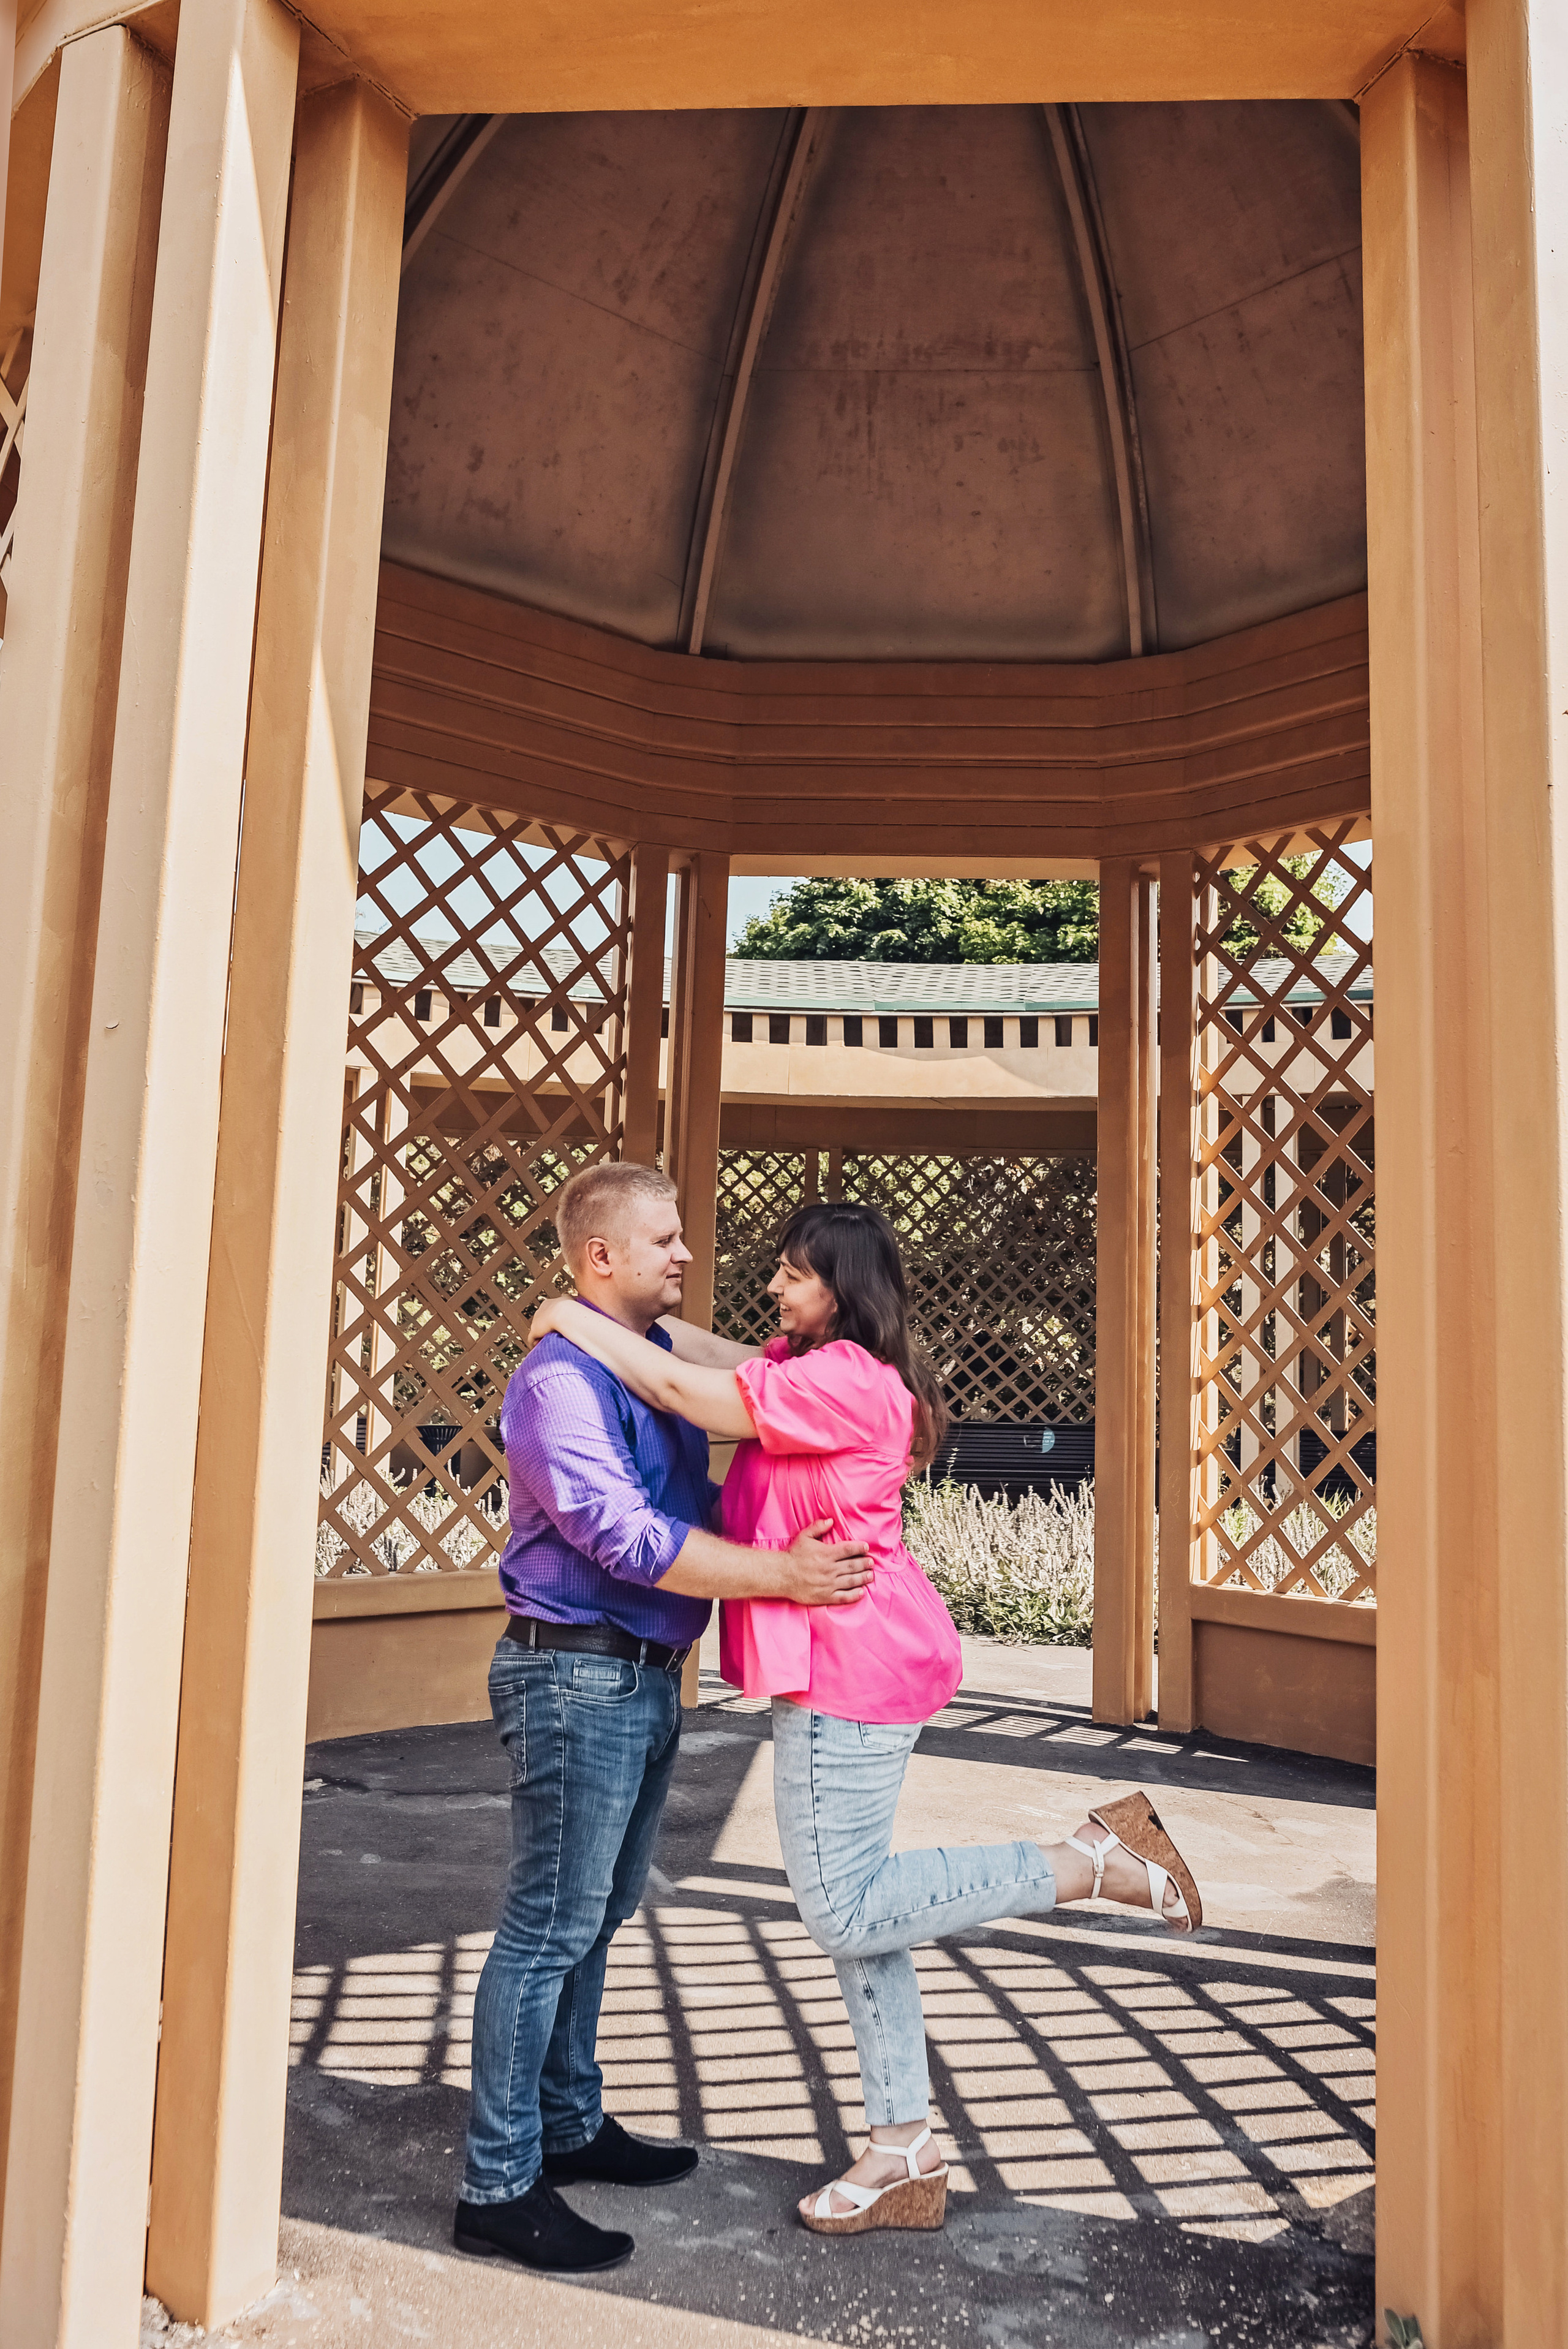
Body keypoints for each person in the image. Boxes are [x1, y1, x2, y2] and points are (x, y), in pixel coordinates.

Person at [529, 1198, 1204, 2239]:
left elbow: (679, 1385)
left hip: (852, 1663)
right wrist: (609, 1320)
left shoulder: (841, 1380)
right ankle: (903, 2147)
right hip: (840, 1660)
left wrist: (566, 1316)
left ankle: (1090, 1858)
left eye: (793, 1274)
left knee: (845, 1908)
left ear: (839, 1288)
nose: (773, 1287)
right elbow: (690, 1349)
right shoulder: (818, 1363)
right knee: (868, 1911)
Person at [454, 1163, 873, 2276]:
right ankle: (497, 2182)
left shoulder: (655, 1359)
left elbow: (758, 1381)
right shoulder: (559, 1385)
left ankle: (569, 2122)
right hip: (573, 1677)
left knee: (595, 1916)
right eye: (665, 1241)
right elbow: (628, 1539)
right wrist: (783, 1573)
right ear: (601, 1257)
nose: (688, 1255)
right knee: (546, 1926)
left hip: (643, 1674)